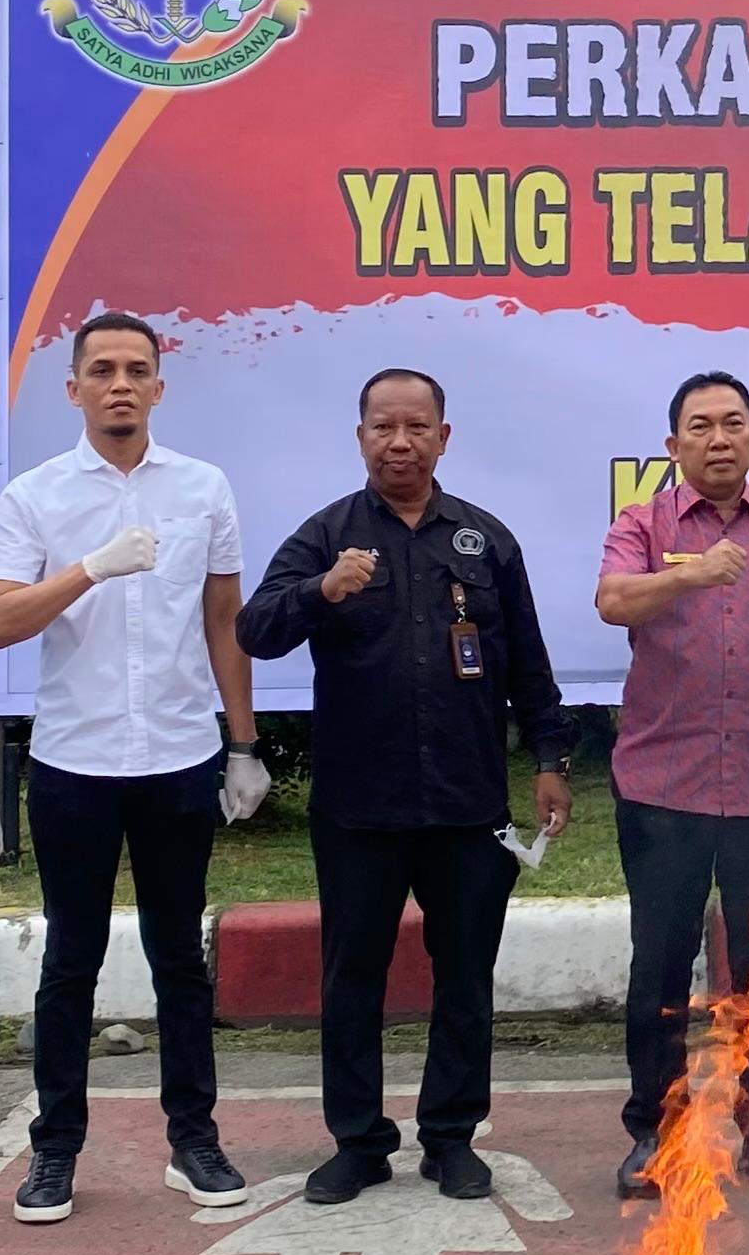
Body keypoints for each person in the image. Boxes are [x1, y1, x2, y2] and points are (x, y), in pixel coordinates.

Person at [241, 368, 570, 1208]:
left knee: (466, 972)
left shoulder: (484, 541)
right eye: (383, 427)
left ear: (443, 437)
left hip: (468, 804)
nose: (400, 442)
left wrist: (549, 762)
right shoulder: (327, 536)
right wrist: (322, 591)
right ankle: (358, 1142)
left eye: (416, 427)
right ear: (360, 438)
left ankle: (451, 1136)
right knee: (353, 973)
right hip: (359, 806)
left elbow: (528, 667)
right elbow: (256, 629)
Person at [0, 312, 264, 1224]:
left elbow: (226, 621)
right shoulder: (36, 496)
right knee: (72, 960)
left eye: (137, 370)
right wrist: (92, 568)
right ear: (73, 389)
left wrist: (245, 741)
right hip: (77, 758)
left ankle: (195, 1142)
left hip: (181, 754)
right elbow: (1, 621)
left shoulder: (203, 487)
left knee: (181, 956)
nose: (120, 385)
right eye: (101, 370)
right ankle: (55, 1151)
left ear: (159, 386)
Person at [594, 371, 749, 1201]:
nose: (719, 439)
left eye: (734, 424)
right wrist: (691, 574)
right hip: (664, 784)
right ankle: (653, 1138)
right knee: (659, 967)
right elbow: (613, 602)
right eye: (700, 426)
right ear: (674, 446)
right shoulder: (643, 524)